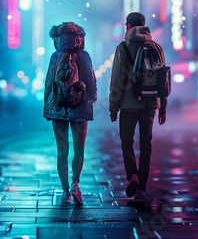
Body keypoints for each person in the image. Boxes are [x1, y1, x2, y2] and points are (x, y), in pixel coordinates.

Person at [109, 12, 167, 201]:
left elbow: (117, 78)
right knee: (145, 145)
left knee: (127, 142)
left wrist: (113, 107)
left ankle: (132, 175)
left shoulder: (123, 47)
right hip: (149, 105)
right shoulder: (156, 47)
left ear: (128, 26)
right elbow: (162, 80)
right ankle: (141, 187)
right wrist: (162, 106)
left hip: (127, 105)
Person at [43, 22, 97, 205]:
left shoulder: (55, 56)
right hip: (80, 106)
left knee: (61, 150)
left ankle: (64, 191)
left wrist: (47, 105)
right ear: (79, 38)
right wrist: (92, 98)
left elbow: (49, 82)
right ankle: (76, 184)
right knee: (79, 148)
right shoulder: (84, 55)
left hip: (57, 107)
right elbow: (90, 79)